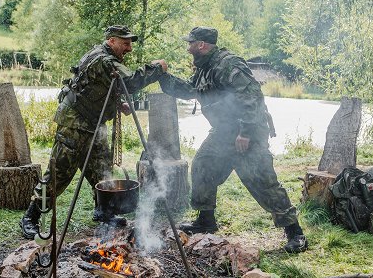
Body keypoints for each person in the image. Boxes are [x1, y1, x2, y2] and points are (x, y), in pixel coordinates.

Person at [158, 26, 308, 253]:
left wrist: (245, 133)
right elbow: (190, 89)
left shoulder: (227, 63)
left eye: (190, 44)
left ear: (201, 45)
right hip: (224, 131)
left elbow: (252, 97)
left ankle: (295, 233)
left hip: (248, 131)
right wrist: (162, 77)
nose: (188, 48)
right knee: (203, 165)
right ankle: (206, 221)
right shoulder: (204, 67)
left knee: (262, 181)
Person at [20, 25, 168, 239]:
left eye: (130, 43)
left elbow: (97, 89)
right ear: (111, 41)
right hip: (75, 124)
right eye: (125, 43)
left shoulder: (105, 58)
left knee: (102, 171)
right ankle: (30, 218)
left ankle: (104, 212)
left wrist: (118, 104)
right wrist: (157, 68)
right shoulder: (103, 60)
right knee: (59, 174)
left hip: (95, 124)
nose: (129, 48)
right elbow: (130, 81)